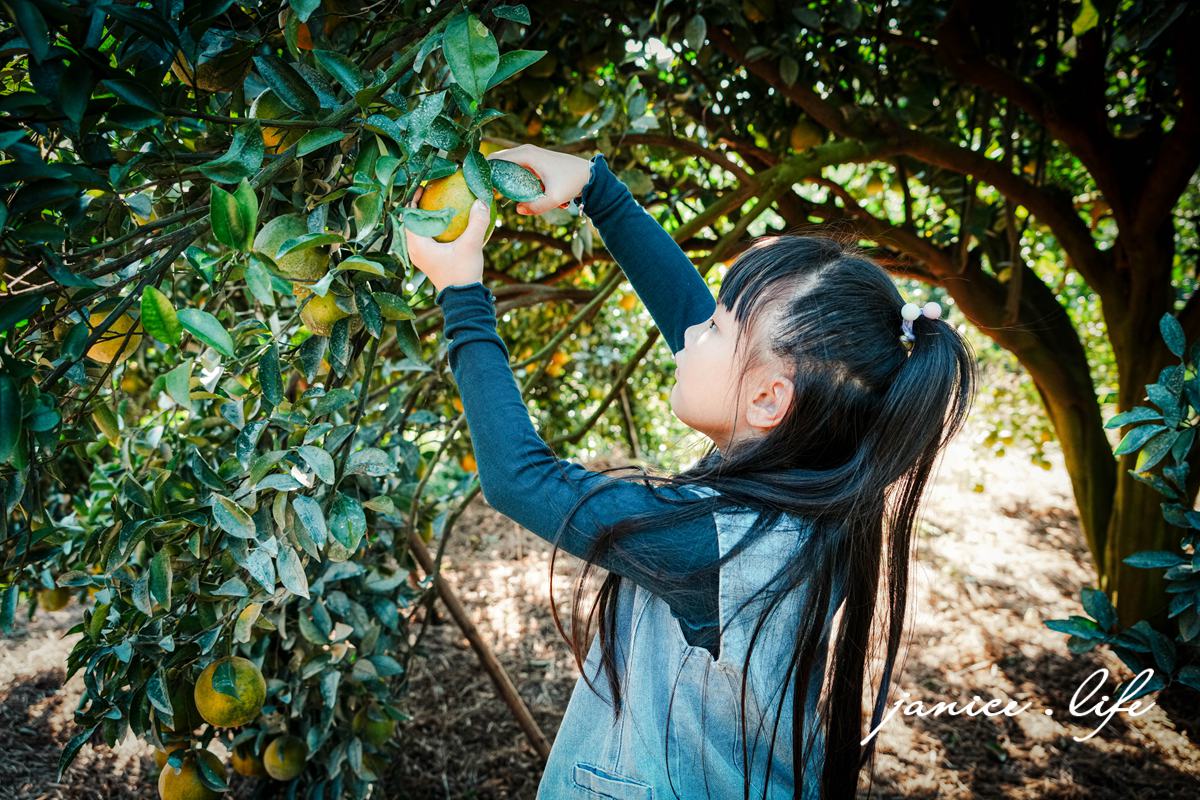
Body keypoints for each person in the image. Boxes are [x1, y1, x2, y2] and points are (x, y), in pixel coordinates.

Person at [404, 144, 977, 799]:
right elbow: (704, 330)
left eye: (716, 327)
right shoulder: (817, 484)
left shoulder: (717, 545)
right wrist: (597, 190)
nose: (690, 333)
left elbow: (517, 477)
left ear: (769, 400)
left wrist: (461, 292)